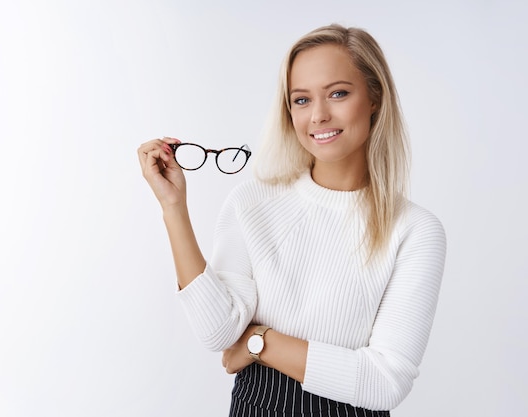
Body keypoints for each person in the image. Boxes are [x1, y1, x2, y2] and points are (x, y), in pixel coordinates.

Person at [138, 24, 446, 417]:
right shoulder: (252, 202)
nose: (318, 115)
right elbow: (218, 331)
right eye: (301, 100)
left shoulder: (415, 230)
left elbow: (384, 382)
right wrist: (173, 207)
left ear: (374, 98)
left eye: (338, 93)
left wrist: (259, 342)